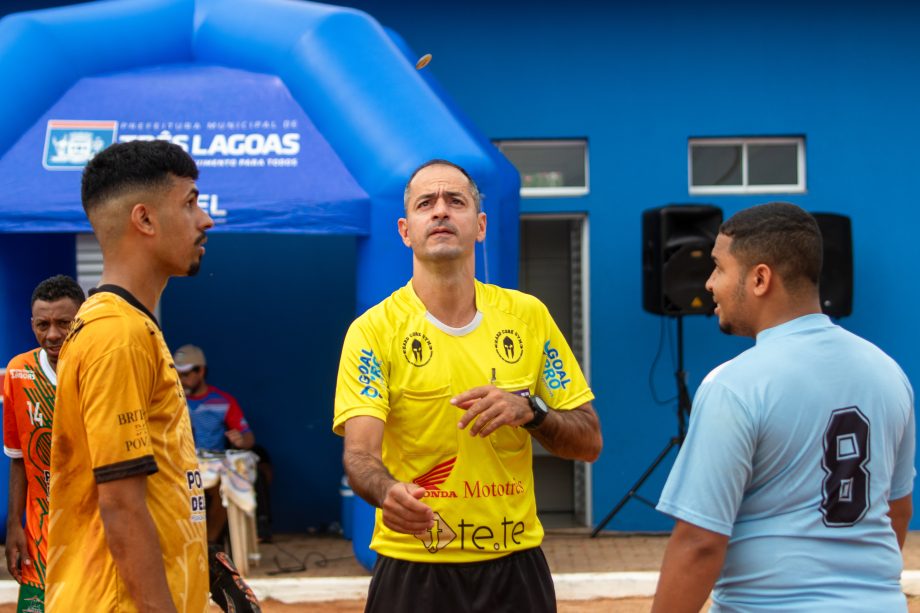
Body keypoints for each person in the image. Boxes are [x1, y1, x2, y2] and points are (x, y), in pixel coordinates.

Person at [333, 159, 603, 613]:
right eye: (426, 203)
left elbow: (588, 441)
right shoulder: (372, 331)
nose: (440, 211)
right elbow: (360, 454)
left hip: (514, 568)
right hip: (414, 565)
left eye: (455, 201)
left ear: (480, 226)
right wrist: (386, 492)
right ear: (405, 230)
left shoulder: (528, 317)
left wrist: (531, 410)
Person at [652, 202, 915, 612]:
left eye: (719, 268)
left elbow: (700, 542)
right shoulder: (889, 373)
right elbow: (896, 511)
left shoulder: (734, 384)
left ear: (760, 279)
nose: (708, 284)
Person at [46, 140, 214, 613]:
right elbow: (120, 506)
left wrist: (202, 565)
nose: (206, 220)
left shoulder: (130, 325)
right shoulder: (116, 334)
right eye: (191, 202)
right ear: (144, 219)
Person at [3, 274, 84, 613]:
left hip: (93, 531)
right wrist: (14, 527)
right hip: (40, 536)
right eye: (42, 324)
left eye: (64, 323)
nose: (52, 334)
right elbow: (18, 457)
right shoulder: (19, 373)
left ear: (81, 321)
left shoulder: (98, 370)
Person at [174, 343, 256, 543]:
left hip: (212, 467)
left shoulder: (223, 401)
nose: (182, 380)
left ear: (200, 371)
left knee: (225, 488)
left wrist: (240, 439)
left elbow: (249, 439)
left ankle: (208, 545)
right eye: (178, 374)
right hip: (178, 467)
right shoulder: (171, 400)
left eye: (185, 374)